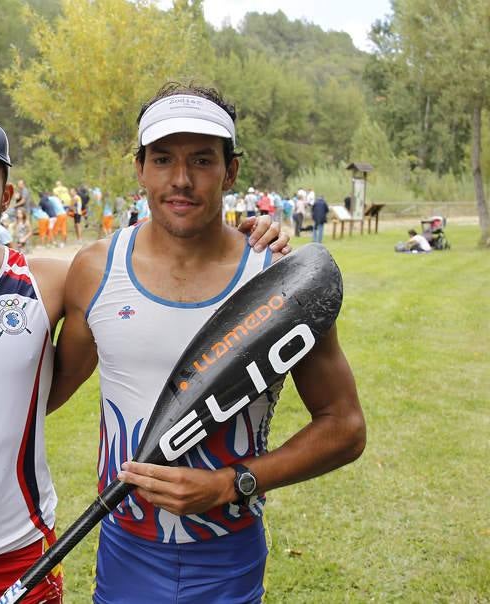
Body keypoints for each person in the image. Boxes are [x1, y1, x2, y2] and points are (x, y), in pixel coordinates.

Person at [0, 111, 288, 604]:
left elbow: (147, 261)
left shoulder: (50, 283)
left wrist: (247, 233)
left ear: (7, 194)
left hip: (27, 551)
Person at [47, 82, 365, 603]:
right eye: (163, 159)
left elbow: (345, 428)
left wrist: (230, 483)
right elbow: (45, 394)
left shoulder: (280, 281)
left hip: (229, 557)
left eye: (201, 159)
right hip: (125, 548)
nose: (181, 179)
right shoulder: (96, 270)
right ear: (140, 168)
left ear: (230, 171)